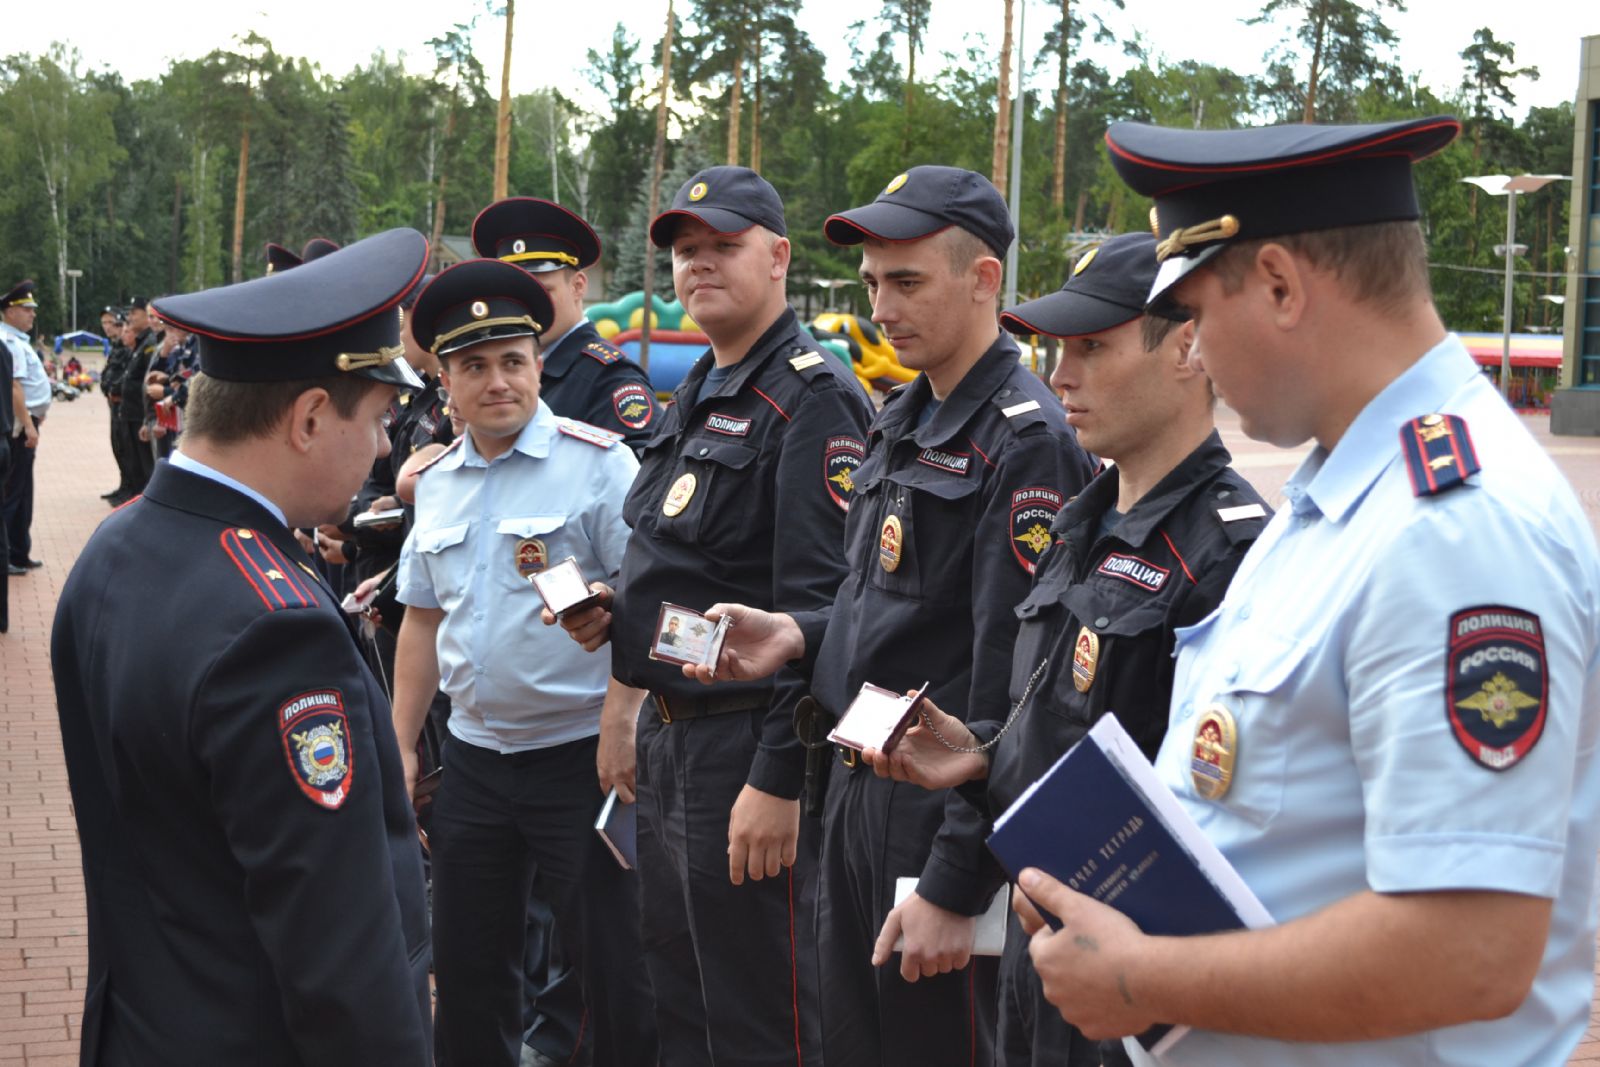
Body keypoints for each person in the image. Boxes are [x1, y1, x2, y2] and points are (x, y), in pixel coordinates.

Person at [998, 115, 1600, 1065]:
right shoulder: (1341, 499)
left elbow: (1471, 949)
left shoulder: (1452, 529)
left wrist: (1143, 977)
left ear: (1279, 285)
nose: (1192, 351)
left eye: (1193, 315)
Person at [681, 165, 1097, 1065]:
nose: (882, 307)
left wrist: (955, 879)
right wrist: (800, 633)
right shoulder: (901, 414)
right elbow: (879, 610)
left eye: (906, 282)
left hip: (933, 811)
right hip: (856, 791)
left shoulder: (1024, 438)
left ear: (984, 279)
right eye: (871, 284)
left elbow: (1010, 689)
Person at [856, 231, 1271, 1066]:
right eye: (1055, 348)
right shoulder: (1081, 525)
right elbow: (1052, 728)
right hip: (1043, 948)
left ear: (1187, 349)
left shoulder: (1230, 556)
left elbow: (1224, 804)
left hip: (1144, 970)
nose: (1061, 376)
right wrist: (981, 758)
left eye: (1092, 347)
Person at [50, 228, 435, 1064]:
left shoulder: (114, 549)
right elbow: (342, 957)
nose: (380, 448)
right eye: (374, 419)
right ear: (307, 417)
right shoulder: (279, 625)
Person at [552, 165, 873, 1066]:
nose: (699, 265)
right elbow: (688, 573)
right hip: (674, 741)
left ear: (777, 257)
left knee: (763, 1012)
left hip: (745, 754)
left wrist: (778, 780)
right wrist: (620, 617)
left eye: (722, 246)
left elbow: (818, 612)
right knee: (683, 1000)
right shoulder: (699, 385)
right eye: (686, 251)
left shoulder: (811, 399)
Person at [390, 257, 655, 1067]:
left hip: (581, 759)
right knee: (468, 970)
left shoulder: (600, 462)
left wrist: (622, 717)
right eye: (474, 365)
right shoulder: (435, 482)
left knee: (614, 967)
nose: (497, 381)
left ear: (539, 363)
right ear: (444, 379)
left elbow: (645, 604)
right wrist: (402, 741)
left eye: (513, 360)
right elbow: (421, 620)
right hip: (473, 762)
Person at [472, 197, 659, 452]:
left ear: (578, 286)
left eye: (543, 290)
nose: (530, 306)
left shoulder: (608, 379)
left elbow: (645, 475)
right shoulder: (506, 373)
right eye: (517, 295)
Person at [0, 281, 44, 574]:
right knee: (13, 493)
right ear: (8, 311)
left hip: (26, 423)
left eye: (32, 310)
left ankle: (19, 551)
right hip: (19, 428)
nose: (31, 314)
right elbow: (15, 388)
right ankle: (8, 556)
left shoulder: (17, 339)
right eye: (25, 309)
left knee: (23, 492)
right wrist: (29, 425)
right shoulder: (8, 341)